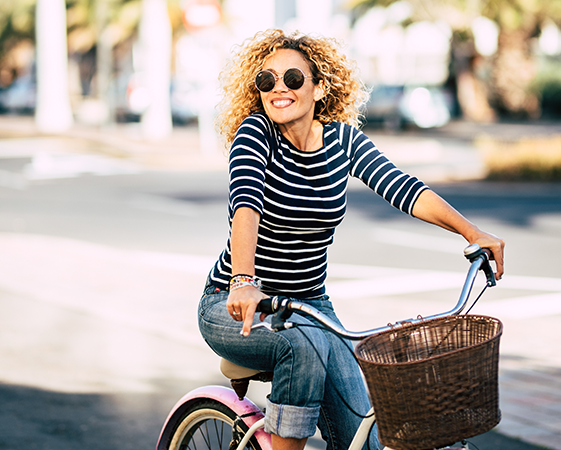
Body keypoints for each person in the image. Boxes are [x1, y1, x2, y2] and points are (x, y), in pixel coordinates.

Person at [197, 29, 505, 450]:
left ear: (319, 87)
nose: (278, 89)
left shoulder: (343, 142)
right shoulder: (256, 134)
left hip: (310, 305)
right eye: (266, 80)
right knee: (301, 347)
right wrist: (243, 280)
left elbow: (404, 188)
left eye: (292, 78)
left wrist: (472, 233)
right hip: (235, 303)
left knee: (364, 437)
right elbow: (245, 205)